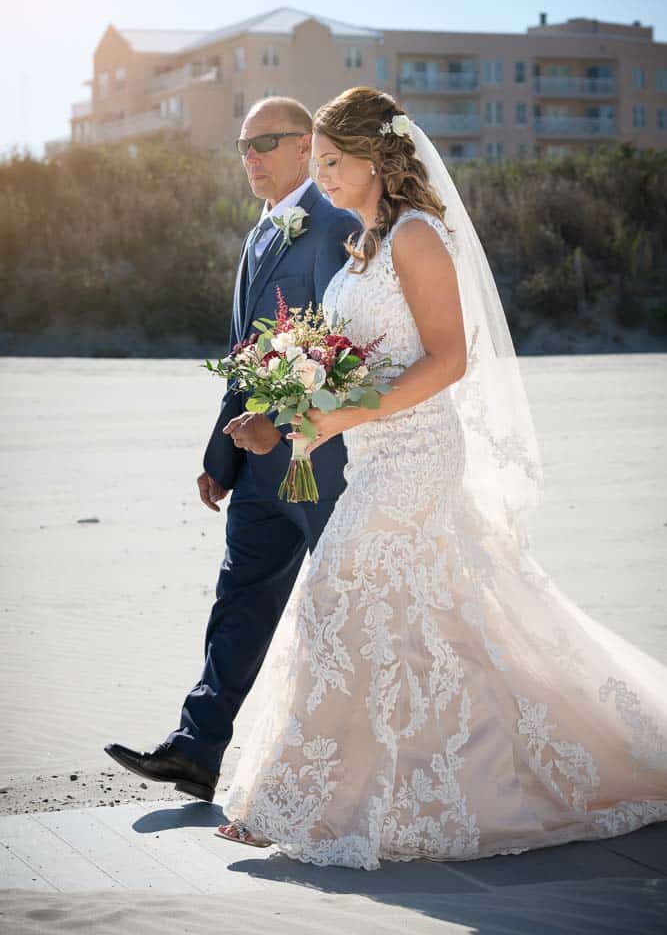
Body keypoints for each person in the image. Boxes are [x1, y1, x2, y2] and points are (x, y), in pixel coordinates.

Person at [215, 86, 667, 868]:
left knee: (337, 597)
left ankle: (302, 798)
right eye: (315, 162)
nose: (318, 177)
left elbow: (448, 360)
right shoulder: (363, 244)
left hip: (418, 455)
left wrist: (338, 419)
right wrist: (281, 419)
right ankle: (354, 789)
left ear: (375, 158)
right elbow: (342, 366)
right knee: (430, 620)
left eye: (330, 161)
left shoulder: (418, 236)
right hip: (373, 457)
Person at [104, 97, 359, 800]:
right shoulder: (259, 235)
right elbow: (246, 355)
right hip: (254, 465)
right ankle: (195, 750)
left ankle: (372, 762)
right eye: (242, 145)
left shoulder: (338, 226)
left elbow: (350, 355)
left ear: (306, 145)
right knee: (238, 599)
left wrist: (282, 427)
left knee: (349, 604)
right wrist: (220, 455)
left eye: (265, 142)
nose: (250, 156)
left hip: (320, 462)